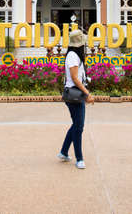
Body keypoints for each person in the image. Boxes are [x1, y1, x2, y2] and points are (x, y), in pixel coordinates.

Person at [57, 29, 94, 169]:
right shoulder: (73, 56)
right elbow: (74, 78)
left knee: (76, 125)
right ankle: (79, 158)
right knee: (79, 127)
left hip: (76, 94)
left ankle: (64, 152)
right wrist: (87, 93)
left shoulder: (74, 55)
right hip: (75, 94)